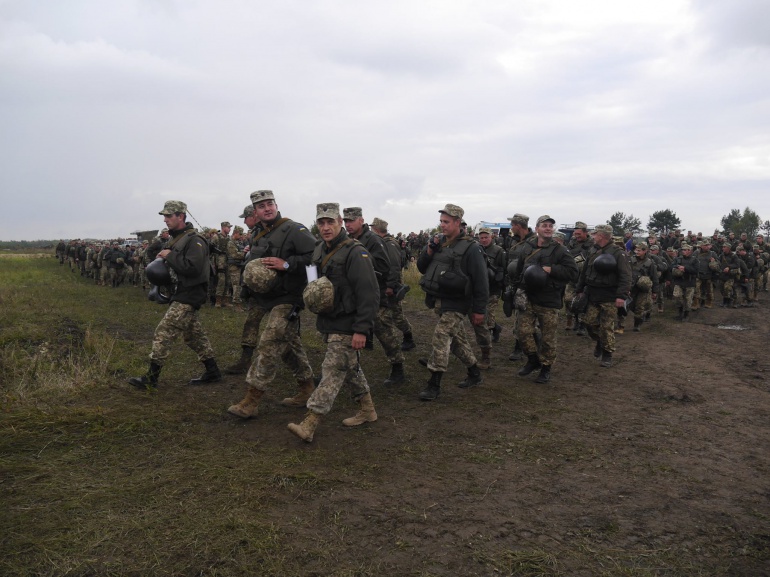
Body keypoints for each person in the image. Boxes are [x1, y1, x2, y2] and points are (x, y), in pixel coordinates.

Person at [288, 203, 380, 442]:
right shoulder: (319, 248)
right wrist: (311, 293)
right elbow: (313, 275)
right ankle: (368, 410)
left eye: (330, 222)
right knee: (349, 367)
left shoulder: (355, 252)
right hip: (330, 319)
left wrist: (362, 330)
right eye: (321, 223)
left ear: (340, 222)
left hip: (349, 323)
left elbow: (369, 293)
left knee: (331, 370)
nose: (326, 227)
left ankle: (310, 422)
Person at [228, 190, 317, 418]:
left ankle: (251, 400)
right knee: (288, 346)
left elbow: (315, 258)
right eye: (261, 206)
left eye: (270, 204)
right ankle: (307, 388)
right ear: (255, 212)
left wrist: (287, 264)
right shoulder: (259, 233)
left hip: (289, 298)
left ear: (276, 205)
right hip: (266, 297)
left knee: (269, 343)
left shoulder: (294, 229)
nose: (267, 208)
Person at [129, 200, 222, 389]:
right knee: (193, 335)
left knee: (164, 331)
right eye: (164, 216)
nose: (165, 220)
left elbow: (193, 268)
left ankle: (151, 378)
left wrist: (169, 256)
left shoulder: (194, 240)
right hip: (180, 292)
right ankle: (213, 371)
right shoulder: (177, 239)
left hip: (190, 293)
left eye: (169, 216)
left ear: (181, 216)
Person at [416, 204, 488, 401]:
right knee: (457, 341)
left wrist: (479, 310)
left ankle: (434, 384)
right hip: (440, 300)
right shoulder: (438, 243)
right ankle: (474, 373)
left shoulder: (471, 248)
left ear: (458, 222)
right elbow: (422, 267)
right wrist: (429, 250)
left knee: (441, 336)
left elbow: (481, 281)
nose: (442, 225)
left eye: (446, 222)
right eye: (441, 221)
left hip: (458, 302)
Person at [343, 207, 406, 386]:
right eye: (346, 221)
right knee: (347, 332)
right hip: (355, 295)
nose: (348, 224)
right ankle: (344, 369)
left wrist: (362, 260)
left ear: (361, 220)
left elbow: (384, 267)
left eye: (351, 220)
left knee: (384, 332)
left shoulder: (373, 239)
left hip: (374, 294)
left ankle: (398, 366)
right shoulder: (347, 239)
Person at [511, 216, 578, 383]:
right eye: (544, 225)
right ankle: (533, 359)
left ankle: (546, 368)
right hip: (528, 297)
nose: (548, 228)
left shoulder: (560, 250)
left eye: (550, 226)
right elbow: (519, 269)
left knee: (548, 337)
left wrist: (552, 269)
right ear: (537, 229)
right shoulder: (527, 247)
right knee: (522, 331)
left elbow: (573, 272)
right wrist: (515, 288)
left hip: (548, 299)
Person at [575, 224, 632, 368]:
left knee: (607, 326)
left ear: (601, 235)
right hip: (592, 293)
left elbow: (625, 276)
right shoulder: (593, 250)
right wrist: (579, 288)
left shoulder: (618, 253)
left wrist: (621, 296)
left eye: (595, 234)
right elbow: (584, 272)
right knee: (588, 322)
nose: (592, 236)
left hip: (609, 296)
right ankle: (600, 341)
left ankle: (607, 353)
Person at [225, 205, 267, 374]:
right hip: (257, 288)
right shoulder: (255, 234)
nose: (244, 222)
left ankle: (302, 371)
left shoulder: (276, 232)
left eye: (246, 218)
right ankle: (245, 359)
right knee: (251, 322)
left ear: (254, 216)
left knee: (285, 331)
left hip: (276, 289)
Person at [370, 217, 417, 353]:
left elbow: (394, 267)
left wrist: (390, 286)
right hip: (383, 285)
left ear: (377, 229)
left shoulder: (389, 244)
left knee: (397, 315)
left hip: (391, 286)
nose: (371, 231)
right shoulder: (381, 242)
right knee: (382, 314)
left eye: (372, 228)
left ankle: (408, 338)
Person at [475, 227, 506, 368]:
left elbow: (504, 268)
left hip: (493, 289)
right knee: (483, 317)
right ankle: (496, 328)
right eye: (481, 237)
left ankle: (486, 354)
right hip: (480, 289)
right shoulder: (476, 249)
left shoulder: (498, 251)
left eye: (486, 237)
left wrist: (499, 279)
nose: (483, 240)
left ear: (491, 237)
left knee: (487, 319)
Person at [628, 242, 659, 331]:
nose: (636, 252)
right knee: (631, 305)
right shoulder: (630, 260)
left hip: (643, 289)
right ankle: (641, 316)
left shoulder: (650, 263)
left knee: (640, 306)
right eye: (636, 250)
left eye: (639, 250)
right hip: (631, 287)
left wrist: (654, 291)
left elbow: (654, 277)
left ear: (645, 251)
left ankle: (637, 324)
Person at [670, 244, 698, 320]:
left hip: (690, 282)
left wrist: (685, 268)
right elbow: (671, 266)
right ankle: (680, 312)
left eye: (685, 250)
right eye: (683, 250)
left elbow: (696, 270)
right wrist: (677, 267)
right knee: (677, 296)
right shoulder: (678, 259)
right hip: (679, 281)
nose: (683, 251)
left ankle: (686, 315)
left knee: (688, 300)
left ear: (690, 251)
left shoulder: (694, 260)